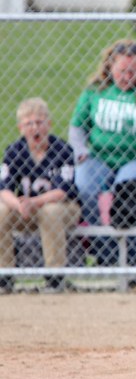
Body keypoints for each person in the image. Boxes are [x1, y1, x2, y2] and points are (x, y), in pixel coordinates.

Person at [70, 40, 136, 273]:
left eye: (132, 71)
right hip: (100, 158)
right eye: (121, 71)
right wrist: (80, 150)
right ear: (110, 67)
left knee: (126, 189)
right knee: (84, 185)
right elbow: (77, 127)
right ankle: (106, 253)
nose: (126, 76)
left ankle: (132, 259)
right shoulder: (95, 90)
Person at [0, 98, 81, 293]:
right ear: (21, 128)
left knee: (50, 211)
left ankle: (54, 277)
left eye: (39, 122)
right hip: (27, 210)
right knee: (1, 211)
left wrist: (33, 202)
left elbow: (63, 191)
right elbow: (4, 189)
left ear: (49, 124)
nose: (35, 128)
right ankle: (5, 275)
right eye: (29, 123)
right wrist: (19, 205)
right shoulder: (14, 151)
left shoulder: (62, 149)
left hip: (63, 208)